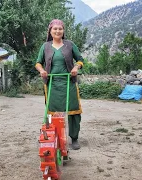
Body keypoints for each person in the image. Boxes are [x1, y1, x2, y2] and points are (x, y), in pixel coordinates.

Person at [35, 19, 84, 150]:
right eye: (55, 29)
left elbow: (80, 60)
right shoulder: (45, 46)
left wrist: (75, 68)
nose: (57, 31)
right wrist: (42, 71)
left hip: (69, 82)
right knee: (51, 112)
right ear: (50, 31)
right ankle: (51, 136)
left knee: (74, 111)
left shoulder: (70, 45)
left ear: (63, 31)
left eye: (60, 29)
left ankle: (74, 138)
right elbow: (38, 62)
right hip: (52, 84)